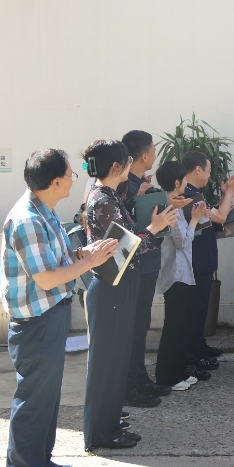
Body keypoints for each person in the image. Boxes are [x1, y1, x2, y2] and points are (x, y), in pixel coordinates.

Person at [2, 149, 117, 467]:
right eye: (70, 175)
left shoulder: (45, 211)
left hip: (50, 315)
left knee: (47, 397)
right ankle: (23, 463)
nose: (73, 180)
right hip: (37, 322)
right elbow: (47, 278)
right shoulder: (28, 220)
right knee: (34, 399)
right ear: (55, 182)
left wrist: (84, 253)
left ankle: (40, 459)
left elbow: (57, 261)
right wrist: (89, 263)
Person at [82, 139, 177, 451]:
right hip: (111, 287)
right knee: (106, 364)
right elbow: (125, 248)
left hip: (120, 284)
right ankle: (100, 433)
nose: (131, 165)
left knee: (116, 360)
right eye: (126, 161)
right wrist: (154, 227)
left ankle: (109, 423)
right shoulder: (102, 199)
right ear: (116, 167)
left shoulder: (109, 195)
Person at [121, 130, 178, 406]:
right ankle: (130, 386)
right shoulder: (124, 186)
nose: (155, 154)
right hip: (136, 265)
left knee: (142, 325)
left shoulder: (139, 183)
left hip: (148, 261)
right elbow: (124, 228)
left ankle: (140, 378)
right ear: (144, 155)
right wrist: (136, 199)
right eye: (154, 149)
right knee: (133, 327)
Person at [183, 150, 234, 377]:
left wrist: (225, 196)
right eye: (208, 171)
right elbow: (219, 217)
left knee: (199, 310)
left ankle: (198, 347)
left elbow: (214, 214)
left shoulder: (194, 193)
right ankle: (191, 358)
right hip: (197, 263)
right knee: (195, 312)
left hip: (203, 260)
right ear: (198, 169)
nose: (210, 175)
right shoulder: (189, 195)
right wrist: (230, 193)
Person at [154, 161, 206, 391]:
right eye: (184, 180)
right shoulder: (171, 209)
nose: (186, 183)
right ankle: (167, 376)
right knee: (173, 327)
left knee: (179, 325)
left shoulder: (173, 205)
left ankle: (178, 372)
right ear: (177, 183)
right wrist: (194, 219)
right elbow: (181, 241)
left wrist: (194, 219)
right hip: (175, 273)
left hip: (181, 272)